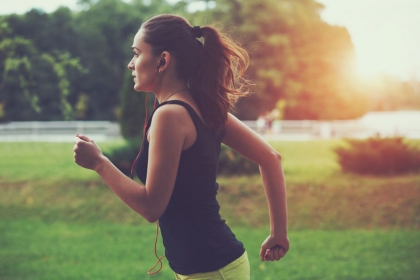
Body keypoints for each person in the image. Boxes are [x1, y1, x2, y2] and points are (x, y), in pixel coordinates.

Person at [73, 14, 289, 280]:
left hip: (211, 271)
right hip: (212, 267)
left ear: (163, 60)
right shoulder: (205, 106)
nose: (131, 64)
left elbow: (151, 207)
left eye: (137, 53)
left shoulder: (170, 115)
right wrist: (278, 233)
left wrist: (99, 163)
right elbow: (270, 158)